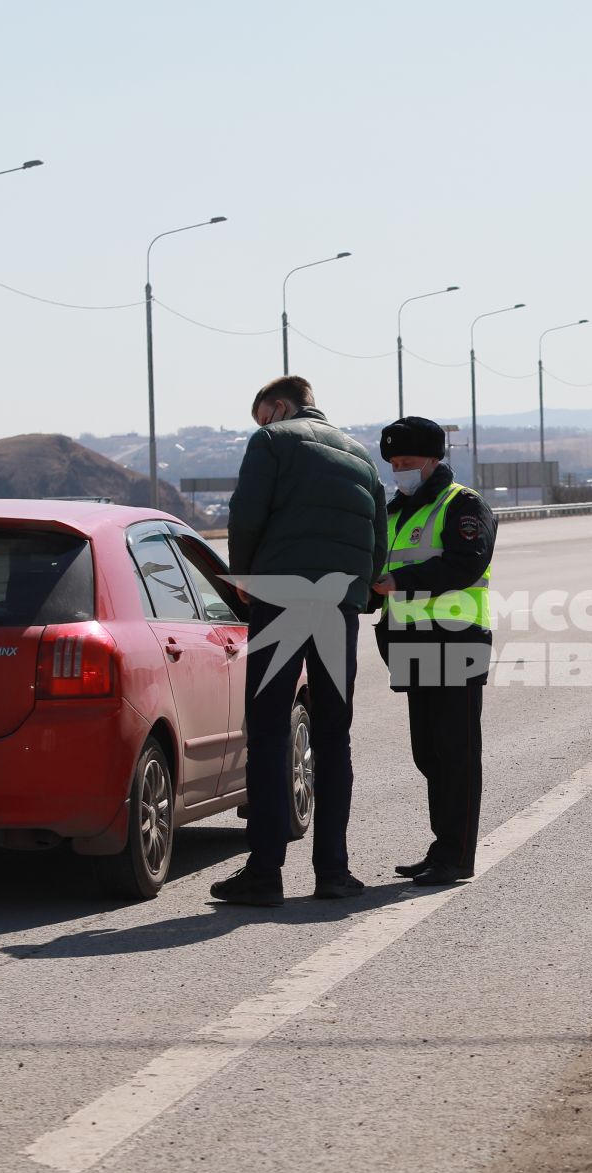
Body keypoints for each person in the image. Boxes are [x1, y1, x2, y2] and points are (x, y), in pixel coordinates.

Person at [211, 375, 386, 907]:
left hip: (281, 598)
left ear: (280, 407)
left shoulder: (271, 441)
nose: (260, 425)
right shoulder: (361, 456)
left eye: (262, 414)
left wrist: (243, 583)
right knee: (334, 734)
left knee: (267, 732)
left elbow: (245, 516)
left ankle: (265, 873)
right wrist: (363, 595)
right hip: (337, 607)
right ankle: (333, 870)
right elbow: (377, 535)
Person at [372, 417, 496, 886]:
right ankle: (442, 846)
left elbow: (466, 563)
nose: (399, 470)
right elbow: (382, 574)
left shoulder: (462, 504)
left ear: (433, 459)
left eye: (406, 462)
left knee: (456, 752)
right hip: (410, 642)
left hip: (455, 641)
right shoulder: (395, 512)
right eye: (393, 463)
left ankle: (457, 856)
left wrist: (402, 581)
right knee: (428, 752)